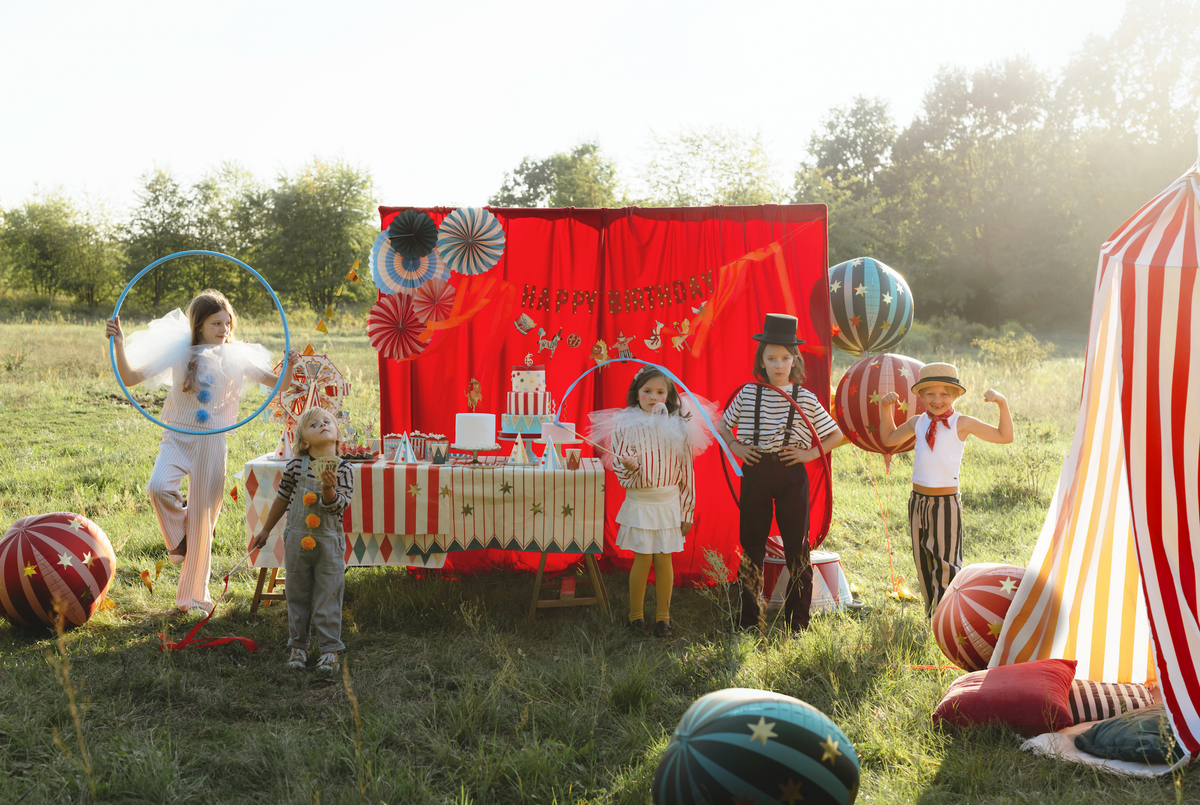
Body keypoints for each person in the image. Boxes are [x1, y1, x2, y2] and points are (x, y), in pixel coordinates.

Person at [107, 290, 296, 613]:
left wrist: (289, 365)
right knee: (158, 487)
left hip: (212, 441)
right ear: (199, 325)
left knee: (202, 522)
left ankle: (193, 599)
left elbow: (280, 384)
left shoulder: (236, 356)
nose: (224, 329)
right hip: (177, 435)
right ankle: (178, 539)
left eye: (227, 323)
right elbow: (130, 377)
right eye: (216, 323)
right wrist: (119, 344)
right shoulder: (180, 353)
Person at [718, 314, 843, 634]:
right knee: (752, 546)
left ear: (794, 360)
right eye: (771, 358)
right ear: (761, 360)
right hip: (756, 472)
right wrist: (735, 445)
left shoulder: (806, 399)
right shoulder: (748, 393)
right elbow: (722, 425)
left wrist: (809, 454)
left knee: (797, 547)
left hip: (791, 475)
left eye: (785, 358)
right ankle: (749, 619)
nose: (778, 364)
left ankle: (798, 622)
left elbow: (835, 435)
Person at [590, 365, 716, 638]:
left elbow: (686, 472)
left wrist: (687, 511)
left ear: (668, 395)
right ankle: (635, 616)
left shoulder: (679, 425)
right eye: (647, 391)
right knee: (643, 557)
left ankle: (663, 618)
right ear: (637, 393)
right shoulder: (625, 424)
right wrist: (629, 466)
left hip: (668, 502)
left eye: (660, 392)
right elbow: (622, 472)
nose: (653, 397)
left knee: (663, 558)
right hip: (640, 501)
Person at [879, 362, 1013, 616]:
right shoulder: (917, 422)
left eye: (944, 394)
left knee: (946, 564)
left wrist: (1002, 403)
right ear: (921, 395)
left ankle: (949, 615)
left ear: (954, 396)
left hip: (945, 504)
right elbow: (889, 439)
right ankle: (932, 614)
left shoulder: (961, 423)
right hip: (917, 502)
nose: (937, 400)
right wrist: (885, 408)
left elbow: (1004, 436)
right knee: (923, 561)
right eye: (930, 394)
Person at [251, 406, 354, 672]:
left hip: (329, 542)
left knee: (329, 595)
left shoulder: (345, 469)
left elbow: (338, 507)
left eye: (327, 421)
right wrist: (266, 530)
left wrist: (328, 488)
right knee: (297, 593)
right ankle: (298, 646)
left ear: (337, 434)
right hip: (297, 540)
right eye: (314, 424)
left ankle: (329, 650)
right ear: (305, 442)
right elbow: (282, 497)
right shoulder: (296, 465)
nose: (322, 425)